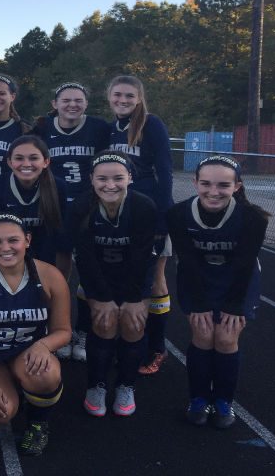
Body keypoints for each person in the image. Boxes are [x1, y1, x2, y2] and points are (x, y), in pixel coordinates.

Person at [0, 214, 70, 456]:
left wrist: (44, 345)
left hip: (25, 352)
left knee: (46, 375)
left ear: (27, 240)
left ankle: (38, 422)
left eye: (13, 240)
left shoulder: (50, 275)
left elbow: (63, 331)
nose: (5, 248)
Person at [167, 156, 270, 428]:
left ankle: (224, 401)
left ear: (237, 186)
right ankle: (198, 399)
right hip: (196, 279)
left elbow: (244, 263)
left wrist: (234, 305)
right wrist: (199, 303)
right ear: (195, 183)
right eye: (206, 184)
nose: (214, 192)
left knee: (225, 337)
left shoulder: (253, 218)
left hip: (238, 280)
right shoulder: (178, 214)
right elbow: (187, 260)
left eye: (223, 185)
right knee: (202, 334)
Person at [67, 153, 157, 418]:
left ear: (130, 177)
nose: (110, 185)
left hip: (135, 275)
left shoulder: (143, 206)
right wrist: (101, 298)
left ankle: (126, 385)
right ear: (91, 179)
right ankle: (96, 385)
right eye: (102, 178)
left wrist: (134, 299)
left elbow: (141, 256)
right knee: (103, 322)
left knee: (133, 322)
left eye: (118, 177)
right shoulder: (82, 206)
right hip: (99, 276)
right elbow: (85, 257)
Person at [32, 82, 110, 362]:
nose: (72, 105)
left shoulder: (99, 128)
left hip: (89, 207)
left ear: (86, 104)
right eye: (66, 100)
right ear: (55, 103)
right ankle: (59, 329)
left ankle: (84, 330)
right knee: (59, 275)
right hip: (56, 209)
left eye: (78, 100)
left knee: (89, 274)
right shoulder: (42, 129)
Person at [106, 74, 174, 375]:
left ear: (139, 98)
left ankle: (156, 347)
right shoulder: (112, 129)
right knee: (128, 277)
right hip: (121, 212)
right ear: (109, 97)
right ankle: (131, 340)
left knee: (154, 280)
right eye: (117, 95)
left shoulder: (152, 124)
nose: (123, 100)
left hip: (150, 214)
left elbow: (165, 173)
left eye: (129, 96)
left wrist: (161, 219)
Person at [0, 135, 71, 275]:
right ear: (10, 162)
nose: (26, 164)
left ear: (46, 161)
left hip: (45, 261)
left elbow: (59, 235)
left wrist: (53, 274)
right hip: (6, 258)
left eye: (34, 158)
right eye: (19, 158)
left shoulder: (58, 187)